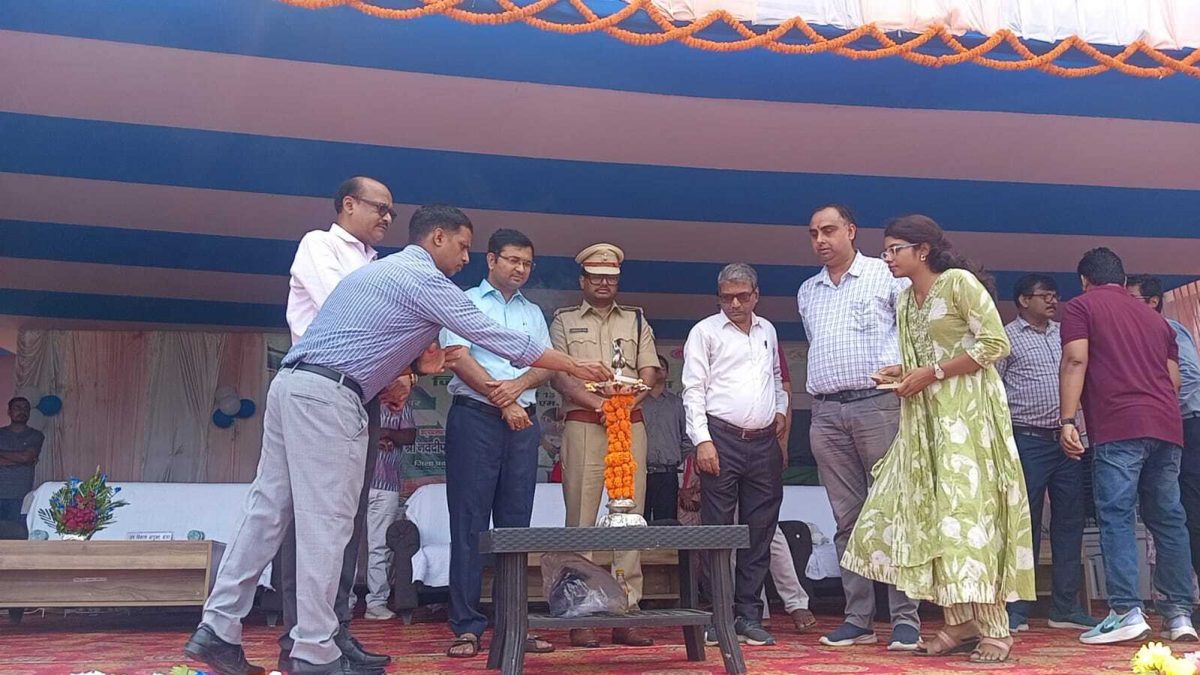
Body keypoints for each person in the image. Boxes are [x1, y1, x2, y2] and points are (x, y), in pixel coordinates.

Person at [184, 205, 611, 675]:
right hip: (331, 397)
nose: (465, 258)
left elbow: (384, 344)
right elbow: (496, 336)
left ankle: (218, 626)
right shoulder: (424, 279)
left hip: (293, 384)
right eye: (463, 246)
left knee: (265, 513)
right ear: (437, 238)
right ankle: (314, 650)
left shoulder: (379, 272)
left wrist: (414, 367)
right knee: (328, 525)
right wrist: (575, 364)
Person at [842, 215, 1036, 664]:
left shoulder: (958, 283)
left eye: (895, 249)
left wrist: (932, 372)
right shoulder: (906, 299)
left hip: (969, 419)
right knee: (933, 516)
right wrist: (902, 372)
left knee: (969, 516)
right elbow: (925, 356)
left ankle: (995, 628)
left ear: (923, 250)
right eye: (886, 251)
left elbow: (994, 344)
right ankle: (960, 620)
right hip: (926, 422)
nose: (888, 258)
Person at [274, 176, 405, 672]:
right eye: (379, 207)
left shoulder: (377, 264)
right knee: (311, 520)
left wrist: (398, 371)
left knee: (347, 519)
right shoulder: (319, 245)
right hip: (318, 390)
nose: (387, 217)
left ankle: (337, 631)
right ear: (348, 204)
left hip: (360, 394)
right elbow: (347, 313)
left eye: (392, 211)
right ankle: (300, 638)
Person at [795, 204, 920, 651]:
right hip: (826, 411)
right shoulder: (807, 291)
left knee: (894, 510)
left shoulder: (887, 275)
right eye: (814, 233)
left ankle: (905, 618)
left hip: (879, 405)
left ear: (851, 231)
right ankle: (858, 618)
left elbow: (916, 335)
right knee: (847, 518)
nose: (820, 240)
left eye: (829, 230)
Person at [1057, 249, 1192, 646]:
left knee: (1116, 515)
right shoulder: (1157, 320)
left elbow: (1075, 360)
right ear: (1122, 278)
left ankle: (1125, 611)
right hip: (1166, 426)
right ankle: (1179, 614)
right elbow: (1174, 381)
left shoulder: (1081, 307)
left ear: (1085, 280)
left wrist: (1067, 420)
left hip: (1119, 424)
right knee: (1168, 519)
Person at [439, 228, 556, 659]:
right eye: (513, 260)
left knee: (515, 527)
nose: (520, 269)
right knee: (469, 524)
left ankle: (514, 626)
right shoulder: (464, 301)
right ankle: (467, 627)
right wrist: (502, 400)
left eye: (527, 263)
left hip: (522, 421)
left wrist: (517, 389)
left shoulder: (533, 312)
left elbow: (546, 364)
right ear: (491, 260)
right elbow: (457, 357)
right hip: (476, 419)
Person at [549, 242, 659, 649]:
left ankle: (627, 611)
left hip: (629, 425)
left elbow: (650, 371)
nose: (603, 283)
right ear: (583, 280)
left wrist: (622, 406)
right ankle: (581, 613)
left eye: (610, 278)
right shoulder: (563, 320)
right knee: (580, 519)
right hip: (584, 424)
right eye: (596, 277)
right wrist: (601, 405)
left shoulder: (636, 319)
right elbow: (559, 375)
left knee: (629, 516)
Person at [683, 262, 788, 647]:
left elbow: (775, 378)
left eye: (742, 296)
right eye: (727, 297)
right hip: (721, 438)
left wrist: (780, 410)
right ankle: (718, 616)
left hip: (763, 442)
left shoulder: (768, 330)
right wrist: (702, 440)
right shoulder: (705, 331)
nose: (735, 304)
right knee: (718, 531)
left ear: (756, 295)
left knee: (760, 531)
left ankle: (748, 615)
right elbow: (693, 390)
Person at [996, 274, 1097, 633]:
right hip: (1027, 439)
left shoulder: (1066, 334)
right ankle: (1017, 609)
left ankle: (1065, 607)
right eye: (1045, 296)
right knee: (1025, 524)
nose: (1053, 301)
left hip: (1068, 440)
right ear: (1024, 300)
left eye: (1055, 295)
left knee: (1070, 521)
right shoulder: (1005, 338)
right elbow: (993, 390)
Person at [1127, 274, 1200, 603]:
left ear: (1153, 301)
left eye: (1132, 299)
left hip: (1187, 424)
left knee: (1188, 513)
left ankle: (1187, 599)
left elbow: (1189, 376)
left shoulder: (1168, 328)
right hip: (1168, 426)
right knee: (1170, 510)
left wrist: (1158, 406)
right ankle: (1180, 598)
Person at [357, 403, 417, 621]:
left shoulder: (399, 403)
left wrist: (386, 432)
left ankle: (376, 603)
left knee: (380, 546)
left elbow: (409, 436)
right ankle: (343, 602)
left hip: (387, 485)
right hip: (353, 484)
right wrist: (374, 438)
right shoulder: (355, 398)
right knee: (347, 545)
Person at [641, 355, 691, 522]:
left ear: (667, 372)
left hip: (668, 474)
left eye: (661, 366)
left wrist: (673, 456)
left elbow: (688, 439)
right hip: (640, 473)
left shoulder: (677, 404)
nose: (657, 370)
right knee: (638, 522)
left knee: (667, 524)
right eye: (653, 367)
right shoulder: (637, 403)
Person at [0, 397, 44, 524]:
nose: (22, 411)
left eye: (25, 408)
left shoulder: (36, 435)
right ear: (9, 412)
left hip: (21, 495)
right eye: (17, 407)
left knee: (17, 532)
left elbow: (26, 457)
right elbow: (25, 459)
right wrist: (23, 461)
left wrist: (25, 459)